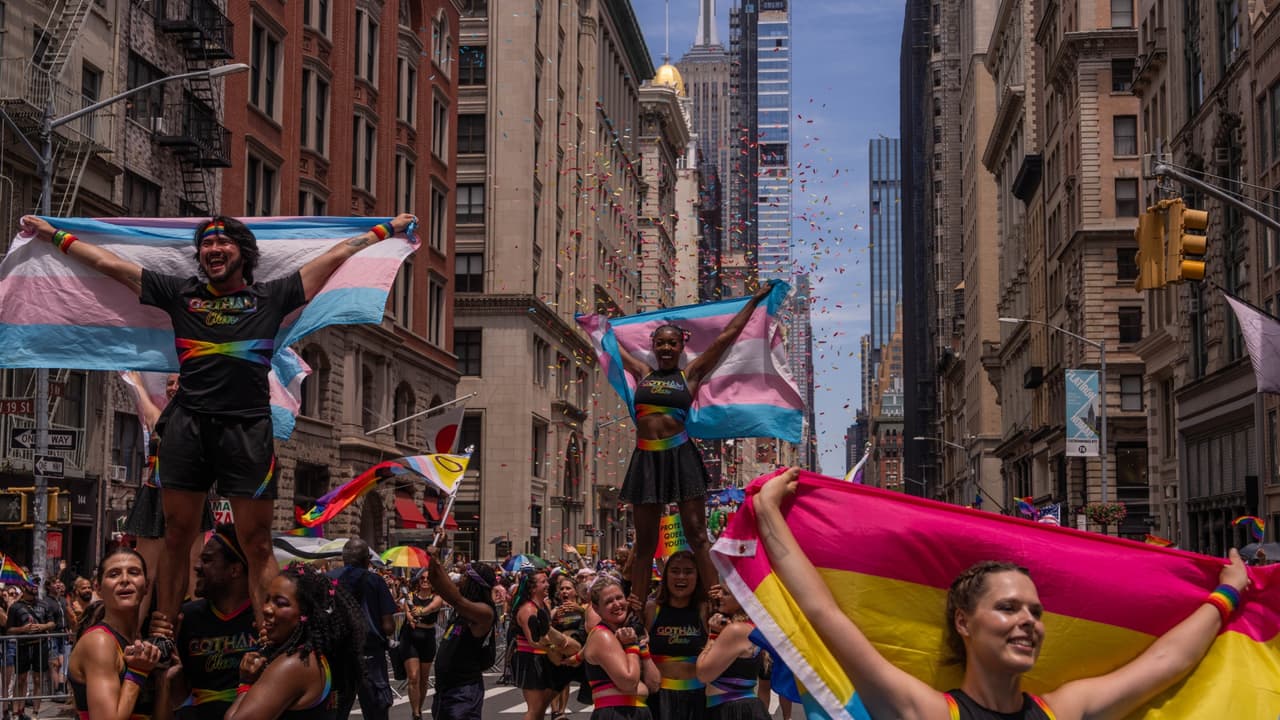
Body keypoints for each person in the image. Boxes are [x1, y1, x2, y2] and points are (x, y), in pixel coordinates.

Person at [19, 212, 417, 643]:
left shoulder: (273, 295)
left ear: (243, 254)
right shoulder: (179, 293)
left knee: (258, 542)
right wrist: (55, 235)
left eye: (222, 243)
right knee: (176, 537)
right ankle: (164, 634)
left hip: (247, 431)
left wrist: (384, 231)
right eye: (206, 244)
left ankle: (272, 637)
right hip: (187, 427)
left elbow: (336, 255)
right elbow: (112, 266)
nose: (212, 249)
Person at [751, 468, 1255, 719]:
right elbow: (824, 613)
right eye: (1009, 607)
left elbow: (1166, 662)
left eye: (1035, 611)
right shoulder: (925, 712)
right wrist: (769, 515)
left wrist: (1227, 597)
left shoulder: (1065, 710)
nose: (1029, 621)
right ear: (964, 622)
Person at [614, 282, 775, 610]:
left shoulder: (691, 374)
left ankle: (715, 605)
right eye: (661, 343)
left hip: (681, 456)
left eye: (673, 343)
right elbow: (608, 347)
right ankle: (636, 610)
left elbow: (726, 337)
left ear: (681, 346)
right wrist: (593, 327)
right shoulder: (642, 373)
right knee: (644, 544)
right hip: (646, 459)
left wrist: (755, 300)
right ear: (654, 346)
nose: (667, 348)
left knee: (698, 534)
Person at [121, 370, 213, 624]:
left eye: (179, 383)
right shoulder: (164, 417)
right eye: (169, 383)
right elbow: (151, 416)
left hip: (189, 494)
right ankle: (132, 635)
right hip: (155, 495)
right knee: (146, 574)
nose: (172, 387)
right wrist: (136, 379)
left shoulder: (198, 419)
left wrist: (137, 382)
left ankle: (193, 633)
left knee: (194, 568)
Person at [226, 563, 364, 720]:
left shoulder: (294, 664)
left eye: (281, 603)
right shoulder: (319, 659)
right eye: (268, 600)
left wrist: (246, 684)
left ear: (307, 613)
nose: (266, 609)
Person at [67, 546, 166, 720]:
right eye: (114, 574)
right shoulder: (100, 642)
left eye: (134, 572)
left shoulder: (140, 643)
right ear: (98, 587)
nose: (125, 580)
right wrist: (137, 672)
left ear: (147, 586)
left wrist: (164, 678)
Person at [169, 524, 255, 720]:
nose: (197, 566)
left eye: (207, 560)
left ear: (235, 570)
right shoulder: (187, 617)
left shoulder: (261, 619)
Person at [330, 537, 396, 720]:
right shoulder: (375, 582)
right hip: (371, 655)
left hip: (338, 655)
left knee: (336, 711)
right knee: (376, 711)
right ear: (367, 560)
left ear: (344, 559)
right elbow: (389, 626)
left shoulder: (328, 580)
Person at [429, 554, 498, 720]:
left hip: (463, 693)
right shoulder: (461, 611)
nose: (460, 579)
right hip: (445, 690)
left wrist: (436, 557)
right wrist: (433, 559)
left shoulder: (485, 612)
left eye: (465, 576)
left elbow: (456, 599)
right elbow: (436, 582)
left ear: (475, 583)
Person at [582, 577, 660, 720]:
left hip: (635, 712)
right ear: (596, 608)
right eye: (609, 602)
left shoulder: (624, 635)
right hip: (616, 713)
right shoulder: (602, 636)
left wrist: (642, 647)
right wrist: (631, 646)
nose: (617, 604)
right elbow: (628, 683)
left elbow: (654, 684)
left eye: (619, 598)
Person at [643, 550, 709, 720]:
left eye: (688, 572)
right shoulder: (651, 609)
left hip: (697, 698)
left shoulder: (705, 610)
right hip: (658, 698)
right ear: (665, 576)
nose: (681, 577)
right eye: (674, 571)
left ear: (697, 576)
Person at [696, 587, 767, 720]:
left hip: (731, 710)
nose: (719, 595)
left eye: (726, 593)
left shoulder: (735, 630)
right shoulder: (751, 627)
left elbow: (703, 674)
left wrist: (713, 635)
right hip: (738, 707)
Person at [510, 570, 556, 720]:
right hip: (531, 659)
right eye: (543, 582)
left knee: (541, 708)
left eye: (547, 581)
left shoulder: (543, 605)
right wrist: (560, 650)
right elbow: (534, 641)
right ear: (533, 588)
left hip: (543, 659)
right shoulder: (528, 609)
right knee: (535, 709)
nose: (547, 584)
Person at [401, 570, 445, 720]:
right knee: (413, 677)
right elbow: (408, 614)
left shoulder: (437, 598)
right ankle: (416, 713)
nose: (425, 580)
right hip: (410, 638)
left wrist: (420, 611)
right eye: (422, 578)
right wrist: (411, 617)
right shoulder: (410, 597)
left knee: (424, 678)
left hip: (427, 638)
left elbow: (431, 608)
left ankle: (419, 707)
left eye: (428, 578)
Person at [549, 574, 592, 720]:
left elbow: (593, 622)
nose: (565, 591)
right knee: (556, 678)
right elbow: (547, 626)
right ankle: (556, 712)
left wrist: (579, 609)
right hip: (560, 650)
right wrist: (554, 613)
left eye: (568, 588)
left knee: (566, 680)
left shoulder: (584, 607)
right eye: (562, 589)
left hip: (578, 649)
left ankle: (562, 709)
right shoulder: (557, 608)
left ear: (575, 591)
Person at [7, 579, 51, 719]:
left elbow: (52, 622)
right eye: (31, 584)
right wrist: (22, 629)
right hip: (23, 646)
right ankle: (17, 712)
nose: (34, 587)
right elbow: (9, 630)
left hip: (40, 645)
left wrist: (43, 627)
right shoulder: (15, 607)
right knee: (20, 679)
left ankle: (35, 713)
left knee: (38, 679)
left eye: (36, 585)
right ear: (24, 587)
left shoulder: (44, 604)